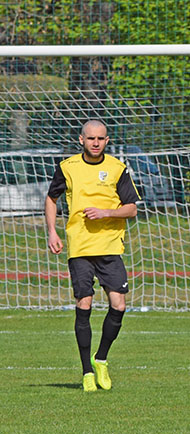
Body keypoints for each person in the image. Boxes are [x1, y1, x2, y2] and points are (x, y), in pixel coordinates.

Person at [45, 120, 140, 392]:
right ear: (81, 140)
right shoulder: (68, 167)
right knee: (84, 303)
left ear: (107, 141)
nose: (95, 143)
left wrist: (106, 212)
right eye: (90, 138)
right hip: (80, 247)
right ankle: (87, 371)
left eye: (100, 138)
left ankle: (101, 360)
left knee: (119, 305)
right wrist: (52, 232)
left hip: (110, 245)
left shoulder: (117, 169)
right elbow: (51, 198)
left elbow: (132, 208)